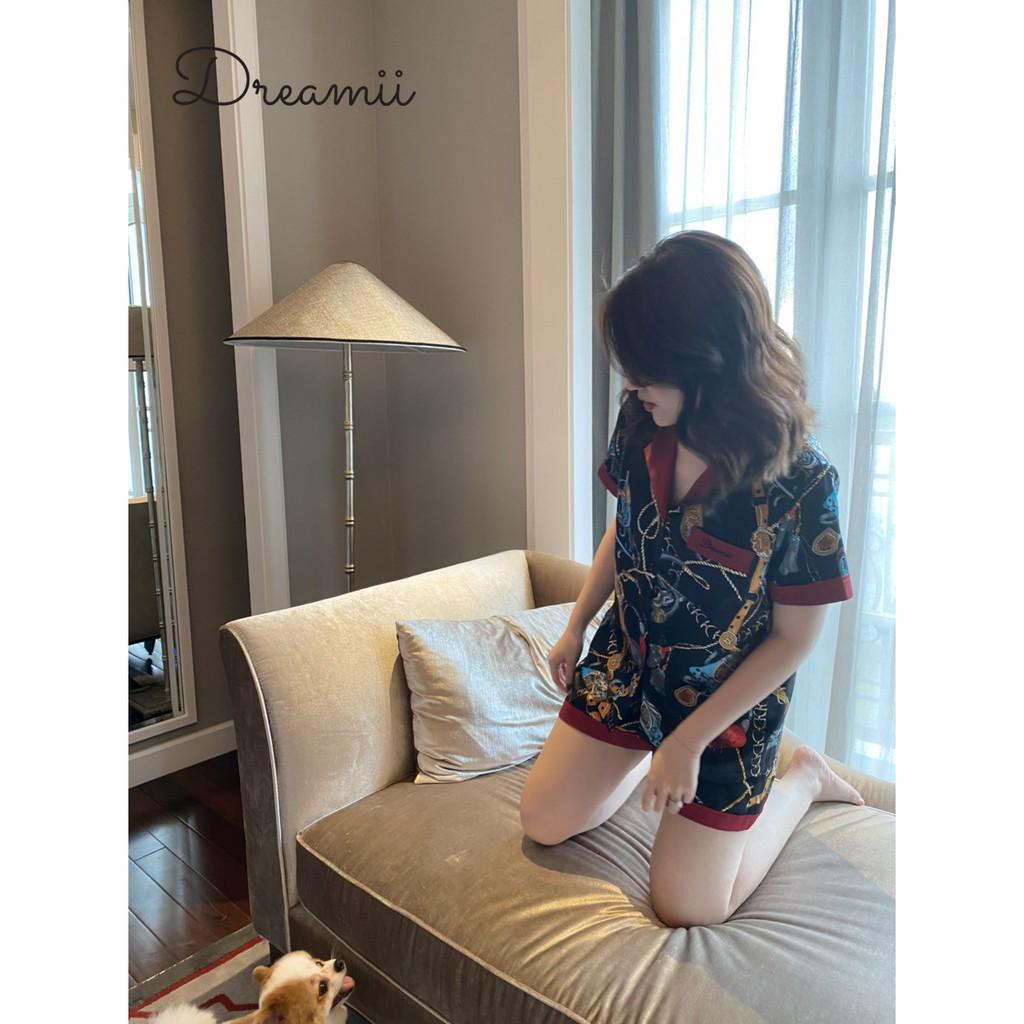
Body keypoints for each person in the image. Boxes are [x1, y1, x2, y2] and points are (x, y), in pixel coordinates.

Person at [518, 229, 866, 929]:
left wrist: (685, 742)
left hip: (727, 710)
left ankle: (803, 779)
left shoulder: (802, 481)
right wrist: (577, 623)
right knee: (543, 821)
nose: (631, 386)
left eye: (647, 371)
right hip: (628, 662)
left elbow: (795, 640)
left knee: (688, 907)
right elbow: (627, 525)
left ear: (707, 364)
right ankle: (640, 755)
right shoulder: (641, 419)